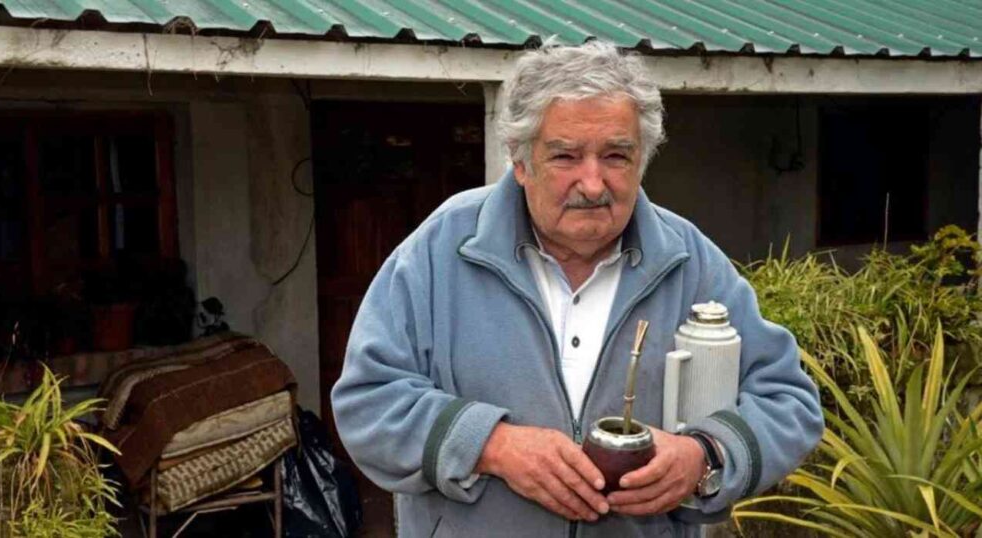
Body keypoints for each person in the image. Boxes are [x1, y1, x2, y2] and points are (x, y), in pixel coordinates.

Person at [331, 41, 823, 537]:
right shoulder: (442, 250)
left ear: (642, 160)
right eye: (565, 156)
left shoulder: (689, 262)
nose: (592, 183)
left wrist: (704, 454)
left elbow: (787, 400)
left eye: (616, 156)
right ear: (520, 161)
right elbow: (368, 402)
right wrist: (492, 446)